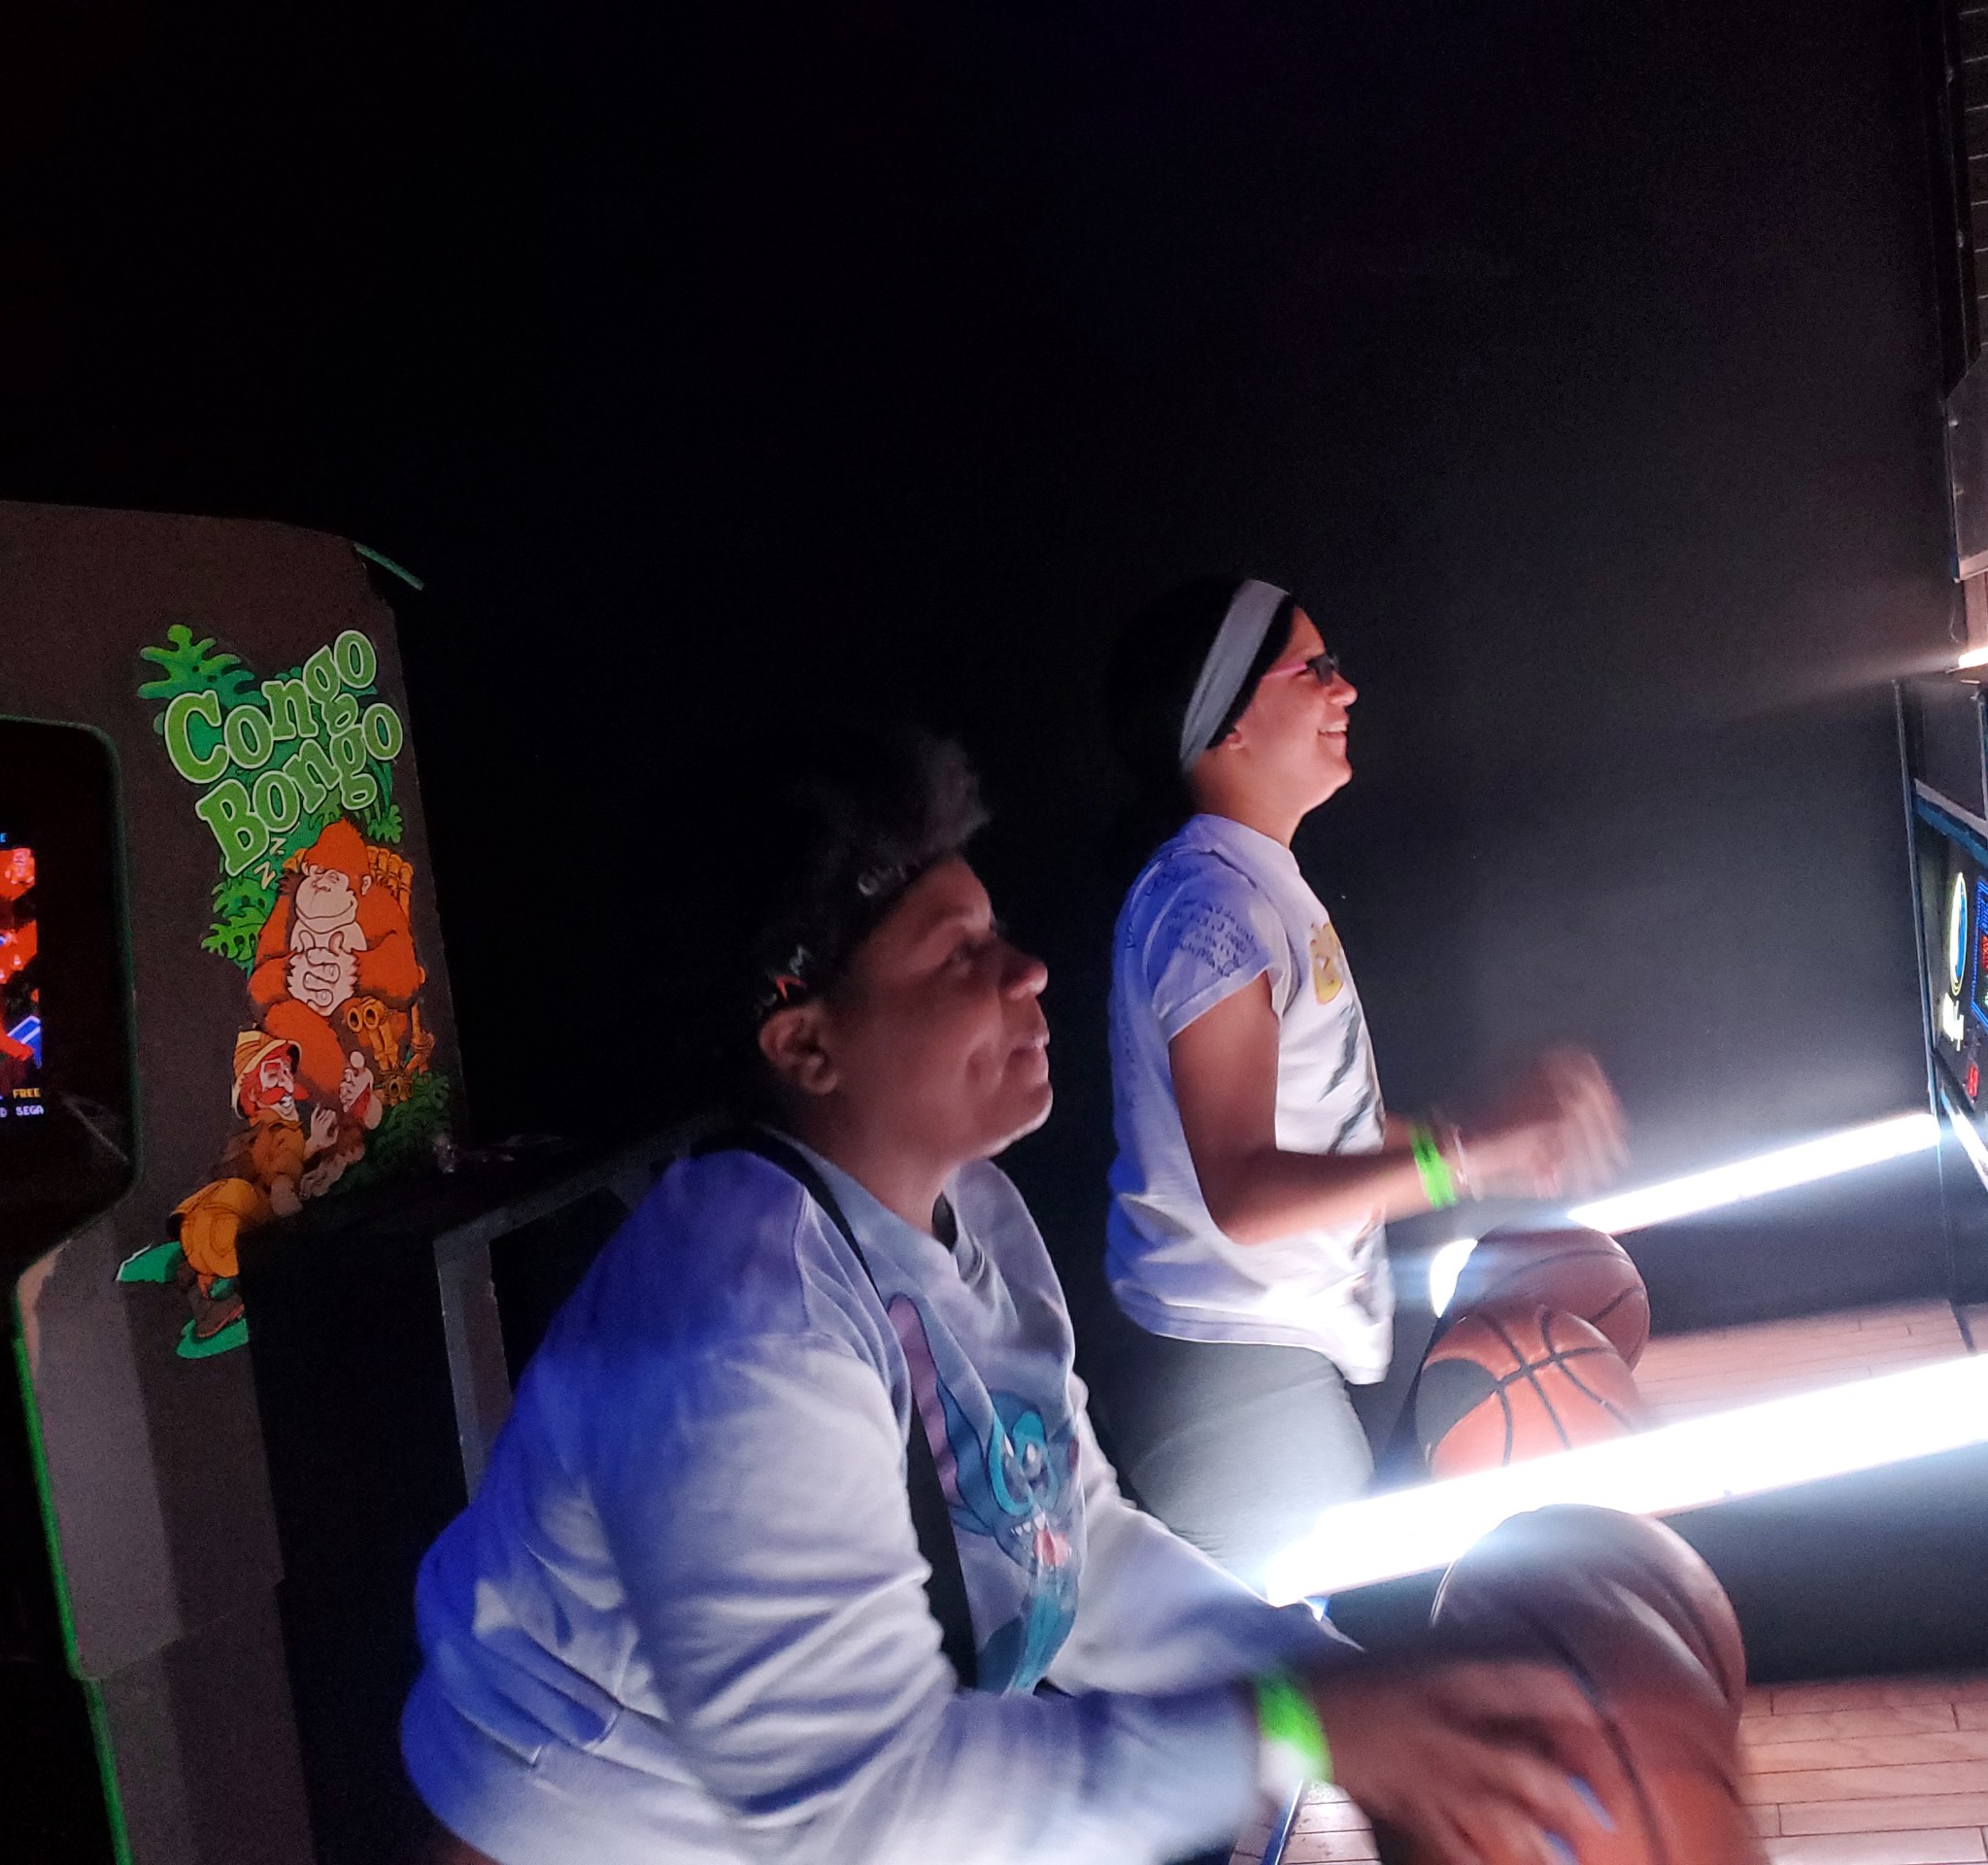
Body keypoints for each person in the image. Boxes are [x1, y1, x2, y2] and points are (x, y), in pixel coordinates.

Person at [402, 727, 1633, 1865]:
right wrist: (1297, 1727)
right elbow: (861, 1807)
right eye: (959, 955)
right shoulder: (742, 1323)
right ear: (808, 1045)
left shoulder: (971, 1212)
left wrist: (1334, 1681)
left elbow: (1067, 1544)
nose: (1029, 968)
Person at [1099, 577, 1629, 1577]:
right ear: (1226, 721)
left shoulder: (1246, 883)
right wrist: (1463, 1155)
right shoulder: (1211, 905)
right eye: (1314, 669)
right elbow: (1245, 1193)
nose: (1344, 691)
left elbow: (1312, 1142)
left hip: (1263, 1358)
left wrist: (1490, 1138)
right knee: (1305, 1671)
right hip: (1229, 1374)